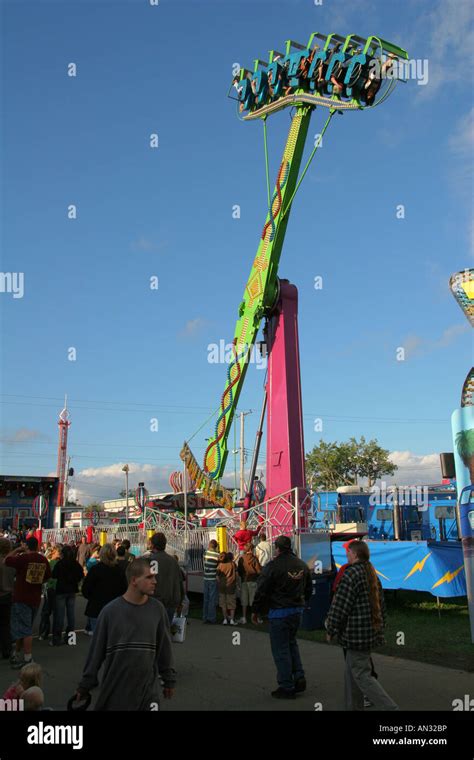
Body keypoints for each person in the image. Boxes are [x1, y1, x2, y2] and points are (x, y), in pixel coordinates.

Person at [75, 557, 176, 710]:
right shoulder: (110, 612)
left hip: (147, 693)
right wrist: (85, 685)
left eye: (154, 576)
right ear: (134, 580)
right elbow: (96, 652)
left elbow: (164, 649)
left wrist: (168, 679)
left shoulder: (157, 610)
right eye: (149, 577)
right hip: (115, 692)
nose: (155, 581)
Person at [325, 539, 399, 711]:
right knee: (352, 674)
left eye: (348, 553)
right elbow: (381, 604)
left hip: (355, 634)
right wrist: (381, 626)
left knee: (361, 675)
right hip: (369, 631)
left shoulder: (351, 574)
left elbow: (341, 605)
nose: (346, 556)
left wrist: (331, 628)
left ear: (355, 554)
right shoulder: (371, 573)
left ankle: (390, 707)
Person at [252, 535, 312, 699]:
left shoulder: (273, 566)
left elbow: (262, 590)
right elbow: (308, 587)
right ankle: (298, 676)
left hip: (279, 611)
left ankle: (286, 685)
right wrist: (303, 602)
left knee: (281, 649)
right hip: (296, 610)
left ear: (277, 548)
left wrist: (256, 610)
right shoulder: (301, 564)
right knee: (292, 643)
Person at [5, 536, 51, 668]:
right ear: (37, 546)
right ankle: (17, 653)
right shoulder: (42, 559)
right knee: (24, 627)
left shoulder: (23, 558)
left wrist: (18, 549)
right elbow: (48, 576)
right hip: (35, 597)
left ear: (27, 546)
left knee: (24, 629)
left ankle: (27, 657)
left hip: (21, 597)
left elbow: (7, 560)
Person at [81, 544, 127, 633]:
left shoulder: (95, 569)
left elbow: (86, 589)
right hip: (114, 608)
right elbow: (124, 589)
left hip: (96, 608)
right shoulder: (119, 570)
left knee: (98, 639)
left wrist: (92, 597)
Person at [141, 533, 183, 626]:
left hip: (154, 601)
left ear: (153, 545)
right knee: (165, 631)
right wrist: (180, 601)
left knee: (153, 633)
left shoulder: (151, 560)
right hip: (171, 602)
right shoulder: (173, 561)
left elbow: (147, 581)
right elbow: (179, 582)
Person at [50, 545, 84, 646]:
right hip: (72, 590)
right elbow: (80, 575)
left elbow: (54, 575)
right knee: (71, 615)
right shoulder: (76, 564)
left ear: (62, 554)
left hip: (61, 590)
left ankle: (57, 639)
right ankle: (70, 639)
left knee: (59, 615)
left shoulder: (59, 564)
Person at [38, 545, 61, 641]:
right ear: (54, 552)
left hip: (50, 588)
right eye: (58, 552)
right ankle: (56, 633)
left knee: (46, 612)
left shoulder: (50, 563)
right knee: (56, 612)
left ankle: (44, 633)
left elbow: (45, 577)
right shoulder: (56, 563)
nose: (59, 553)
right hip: (56, 589)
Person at [237, 543, 261, 624]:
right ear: (251, 550)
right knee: (253, 601)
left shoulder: (241, 559)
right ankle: (253, 618)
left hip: (244, 580)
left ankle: (244, 618)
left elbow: (239, 570)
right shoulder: (254, 559)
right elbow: (258, 571)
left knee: (244, 601)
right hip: (253, 580)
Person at [0, 538, 15, 659]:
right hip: (8, 595)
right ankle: (7, 649)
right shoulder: (11, 562)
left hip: (2, 593)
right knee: (6, 624)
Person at [217, 552, 237, 625]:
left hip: (222, 586)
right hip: (231, 586)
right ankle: (231, 619)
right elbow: (236, 574)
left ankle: (225, 619)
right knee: (231, 604)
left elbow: (217, 576)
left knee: (223, 604)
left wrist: (219, 582)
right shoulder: (232, 564)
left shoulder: (220, 565)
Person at [202, 539, 220, 624]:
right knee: (212, 599)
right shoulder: (217, 555)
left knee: (206, 598)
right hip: (213, 579)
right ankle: (211, 618)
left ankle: (205, 617)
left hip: (206, 578)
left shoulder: (205, 553)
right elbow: (218, 566)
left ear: (209, 545)